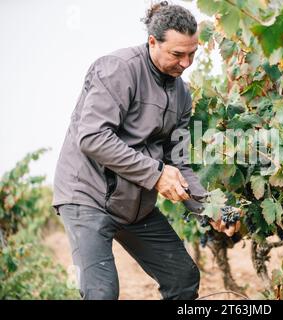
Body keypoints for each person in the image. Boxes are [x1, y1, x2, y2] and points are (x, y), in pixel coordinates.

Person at [52, 1, 239, 300]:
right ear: (153, 42)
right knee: (101, 292)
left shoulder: (182, 93)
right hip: (86, 198)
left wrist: (211, 209)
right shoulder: (117, 69)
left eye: (192, 54)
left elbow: (177, 160)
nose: (187, 63)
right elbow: (92, 137)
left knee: (182, 277)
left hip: (134, 205)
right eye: (178, 54)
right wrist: (156, 175)